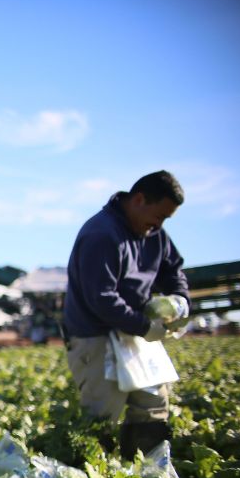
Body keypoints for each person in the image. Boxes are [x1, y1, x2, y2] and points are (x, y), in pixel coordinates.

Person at [63, 170, 191, 459]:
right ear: (139, 199)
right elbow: (102, 298)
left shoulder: (154, 233)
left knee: (153, 407)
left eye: (165, 220)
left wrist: (181, 301)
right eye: (158, 216)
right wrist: (145, 326)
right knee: (101, 415)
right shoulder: (102, 234)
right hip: (97, 337)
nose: (158, 225)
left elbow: (173, 270)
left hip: (136, 335)